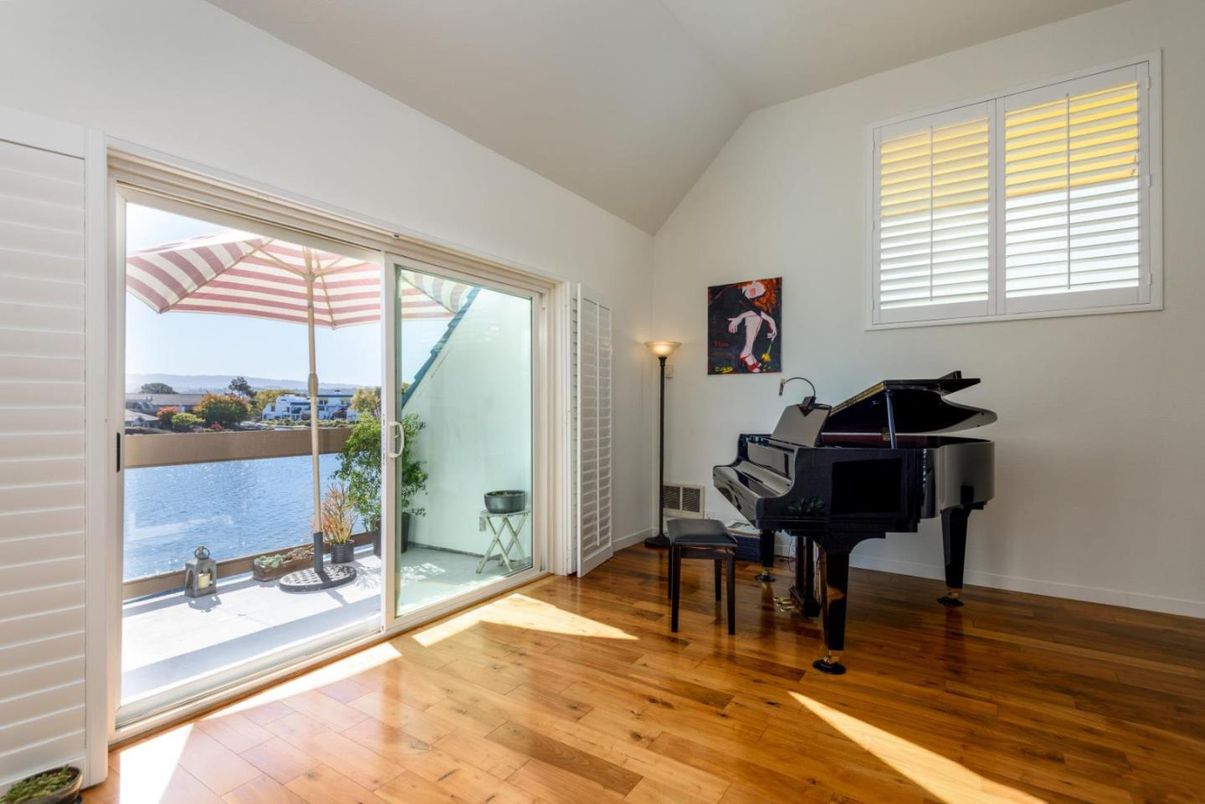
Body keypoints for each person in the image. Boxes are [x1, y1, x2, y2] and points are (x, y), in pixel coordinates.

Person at [724, 280, 778, 372]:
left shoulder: (747, 299)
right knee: (756, 315)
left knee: (756, 316)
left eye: (758, 283)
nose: (755, 289)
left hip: (732, 324)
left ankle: (748, 352)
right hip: (720, 324)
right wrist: (771, 321)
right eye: (752, 283)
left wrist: (740, 317)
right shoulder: (734, 291)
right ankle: (747, 352)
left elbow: (755, 311)